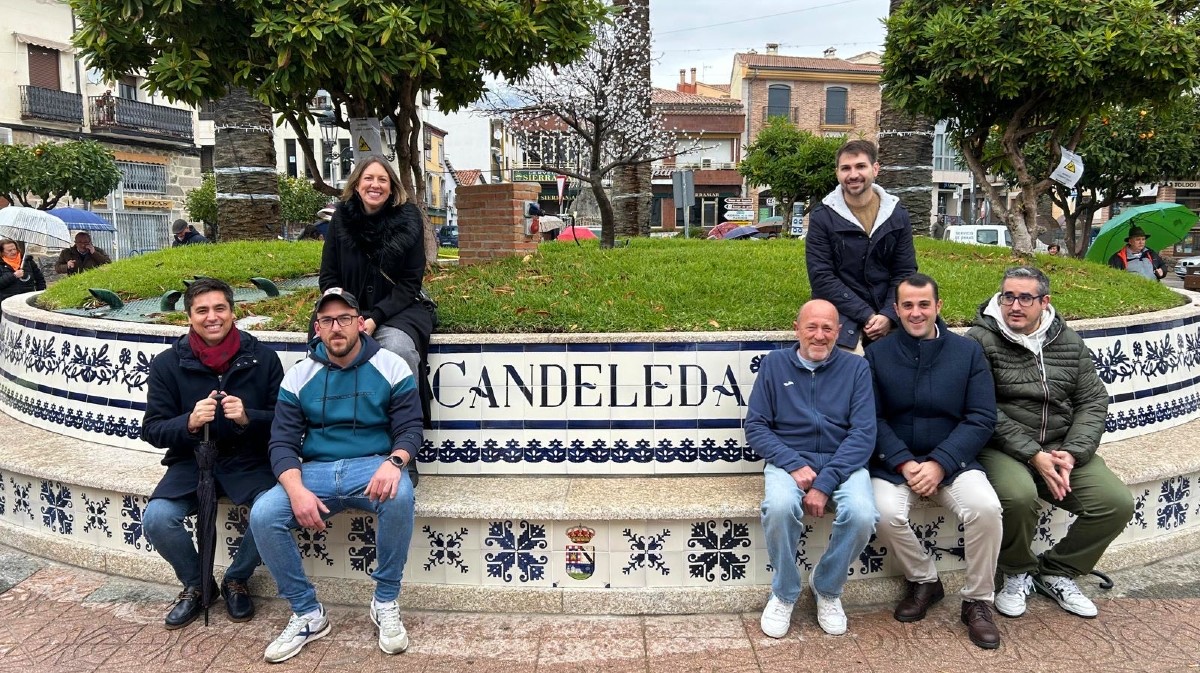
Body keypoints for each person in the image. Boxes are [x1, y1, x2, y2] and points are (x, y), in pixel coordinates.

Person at [250, 288, 422, 663]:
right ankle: (308, 613)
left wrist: (394, 463)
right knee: (264, 514)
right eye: (327, 320)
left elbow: (411, 427)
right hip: (315, 471)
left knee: (401, 497)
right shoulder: (300, 375)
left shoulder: (391, 365)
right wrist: (295, 489)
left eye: (344, 318)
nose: (336, 327)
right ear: (317, 329)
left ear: (360, 324)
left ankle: (385, 600)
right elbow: (280, 442)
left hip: (372, 465)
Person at [967, 266, 1133, 619]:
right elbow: (980, 408)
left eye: (1025, 298)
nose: (1014, 305)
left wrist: (1072, 453)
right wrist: (1032, 455)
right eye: (1008, 296)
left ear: (1044, 302)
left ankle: (1058, 571)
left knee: (1115, 503)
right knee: (1017, 496)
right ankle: (1017, 570)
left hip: (1062, 446)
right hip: (1004, 448)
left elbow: (1092, 400)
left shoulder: (1067, 341)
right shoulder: (979, 340)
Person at [865, 273, 1002, 649]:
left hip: (954, 461)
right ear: (895, 309)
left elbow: (981, 418)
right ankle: (925, 580)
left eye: (924, 304)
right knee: (880, 510)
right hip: (895, 464)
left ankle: (977, 601)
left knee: (986, 508)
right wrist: (903, 463)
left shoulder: (967, 351)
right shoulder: (877, 354)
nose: (916, 312)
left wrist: (940, 463)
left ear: (938, 306)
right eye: (907, 305)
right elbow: (870, 418)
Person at [140, 278, 284, 629]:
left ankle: (236, 578)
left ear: (233, 312)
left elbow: (286, 421)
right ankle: (198, 585)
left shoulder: (262, 359)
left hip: (247, 461)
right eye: (202, 310)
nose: (212, 317)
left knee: (276, 509)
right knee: (157, 519)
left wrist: (249, 417)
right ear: (189, 317)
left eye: (220, 308)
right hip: (191, 462)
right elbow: (153, 429)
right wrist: (188, 423)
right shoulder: (167, 364)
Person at [746, 299, 878, 639]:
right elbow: (757, 427)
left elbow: (864, 433)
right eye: (812, 327)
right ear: (797, 328)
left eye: (827, 329)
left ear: (838, 332)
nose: (819, 336)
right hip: (788, 460)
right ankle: (784, 592)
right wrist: (792, 464)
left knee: (862, 514)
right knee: (778, 508)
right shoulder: (774, 365)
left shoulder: (856, 368)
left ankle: (828, 587)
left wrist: (825, 482)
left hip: (843, 461)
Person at [319, 156, 434, 388]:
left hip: (396, 312)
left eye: (382, 180)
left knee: (399, 350)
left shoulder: (409, 219)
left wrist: (374, 318)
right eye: (368, 178)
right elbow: (328, 276)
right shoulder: (340, 218)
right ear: (356, 184)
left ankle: (406, 421)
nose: (375, 185)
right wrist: (347, 316)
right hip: (345, 309)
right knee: (321, 351)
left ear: (391, 188)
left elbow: (410, 282)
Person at [806, 139, 918, 352]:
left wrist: (888, 315)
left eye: (860, 166)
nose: (853, 174)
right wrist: (866, 315)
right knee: (848, 367)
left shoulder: (897, 214)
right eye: (845, 168)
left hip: (889, 309)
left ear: (875, 169)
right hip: (841, 310)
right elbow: (821, 277)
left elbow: (904, 272)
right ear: (837, 173)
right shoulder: (822, 216)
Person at [0, 238, 47, 316]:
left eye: (14, 249)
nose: (13, 252)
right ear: (2, 252)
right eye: (9, 250)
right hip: (6, 303)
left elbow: (40, 279)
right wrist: (13, 276)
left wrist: (39, 296)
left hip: (26, 302)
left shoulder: (27, 261)